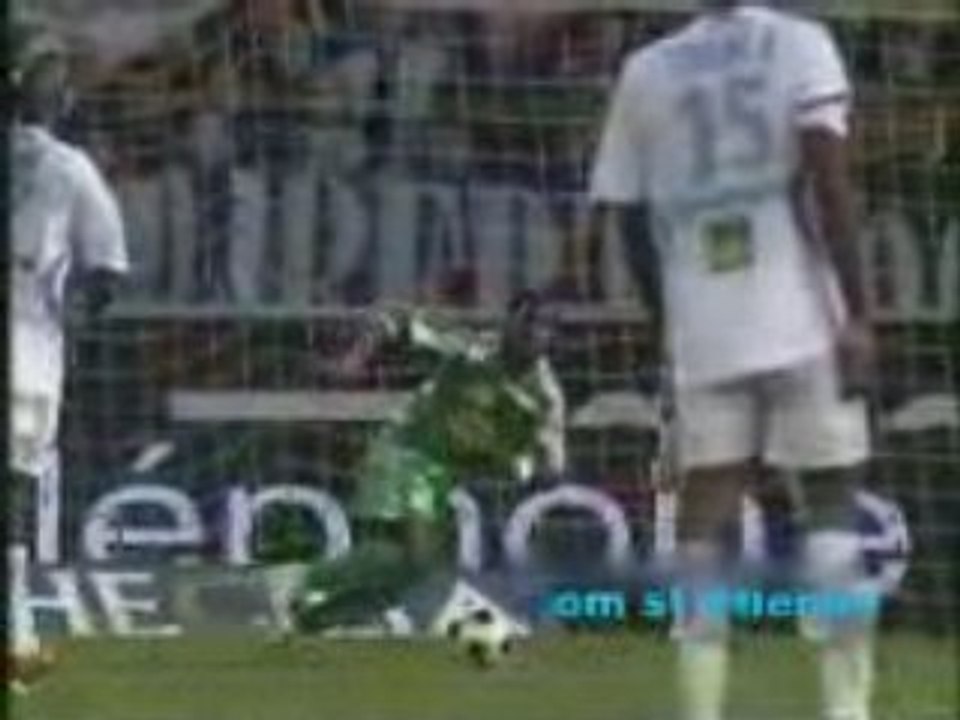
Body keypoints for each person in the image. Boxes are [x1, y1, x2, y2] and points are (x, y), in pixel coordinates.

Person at [589, 3, 877, 719]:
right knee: (831, 504)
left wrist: (667, 324)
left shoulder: (645, 70)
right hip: (800, 310)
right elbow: (829, 179)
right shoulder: (802, 43)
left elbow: (627, 217)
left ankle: (701, 711)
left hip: (704, 321)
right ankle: (847, 712)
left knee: (703, 518)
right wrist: (859, 313)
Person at [290, 291, 566, 632]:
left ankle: (309, 617)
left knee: (404, 568)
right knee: (416, 558)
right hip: (405, 449)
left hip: (439, 476)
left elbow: (553, 461)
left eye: (543, 327)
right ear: (508, 322)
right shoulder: (471, 348)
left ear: (553, 336)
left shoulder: (544, 397)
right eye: (525, 323)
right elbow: (395, 316)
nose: (532, 333)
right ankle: (296, 585)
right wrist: (354, 359)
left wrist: (536, 468)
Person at [9, 21, 129, 692]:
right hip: (27, 350)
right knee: (15, 491)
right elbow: (105, 275)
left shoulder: (69, 166)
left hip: (31, 346)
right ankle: (15, 638)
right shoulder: (68, 168)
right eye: (52, 76)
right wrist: (71, 318)